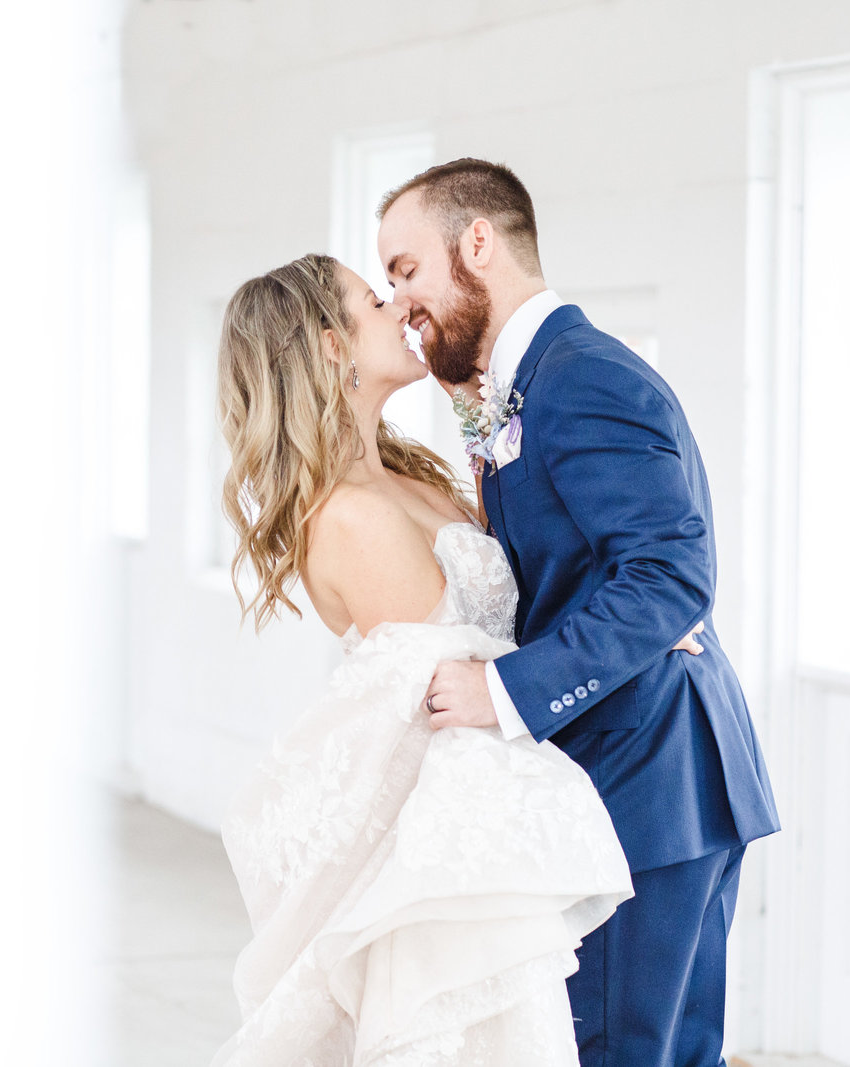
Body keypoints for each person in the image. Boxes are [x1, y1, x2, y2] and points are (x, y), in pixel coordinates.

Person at [209, 252, 703, 1066]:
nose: (399, 307)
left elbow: (520, 581)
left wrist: (643, 611)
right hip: (460, 858)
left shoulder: (408, 473)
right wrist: (632, 626)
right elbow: (465, 676)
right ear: (332, 346)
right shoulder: (349, 519)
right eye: (375, 299)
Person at [377, 158, 781, 1067]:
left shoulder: (581, 377)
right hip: (640, 780)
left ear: (477, 242)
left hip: (648, 778)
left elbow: (671, 575)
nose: (398, 299)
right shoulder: (521, 387)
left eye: (405, 269)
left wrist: (503, 692)